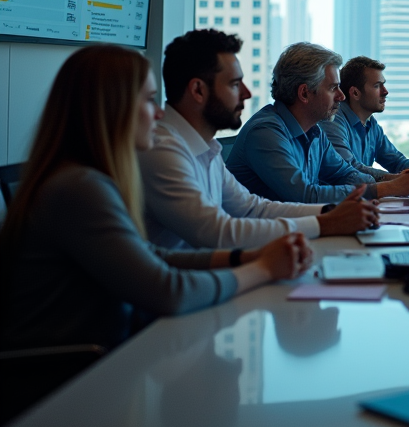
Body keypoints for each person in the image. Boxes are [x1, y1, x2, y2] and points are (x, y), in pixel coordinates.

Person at [0, 45, 312, 353]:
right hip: (63, 380)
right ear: (111, 108)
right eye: (150, 100)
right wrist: (264, 269)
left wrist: (243, 258)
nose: (160, 112)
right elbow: (168, 291)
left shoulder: (83, 179)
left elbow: (150, 256)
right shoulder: (80, 188)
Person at [140, 30, 379, 251]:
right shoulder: (163, 150)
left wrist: (331, 212)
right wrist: (325, 223)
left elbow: (253, 208)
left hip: (209, 273)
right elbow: (216, 232)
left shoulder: (206, 148)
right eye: (235, 84)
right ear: (198, 91)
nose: (247, 93)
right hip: (189, 282)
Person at [227, 43, 409, 203]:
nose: (341, 97)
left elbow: (346, 173)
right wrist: (388, 188)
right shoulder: (265, 132)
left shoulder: (314, 132)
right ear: (305, 93)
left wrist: (399, 180)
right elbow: (304, 196)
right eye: (333, 88)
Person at [321, 56, 409, 187]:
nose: (385, 92)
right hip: (338, 203)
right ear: (355, 93)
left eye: (384, 84)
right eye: (377, 86)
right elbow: (350, 169)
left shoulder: (371, 123)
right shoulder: (333, 120)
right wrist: (398, 179)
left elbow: (395, 160)